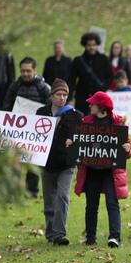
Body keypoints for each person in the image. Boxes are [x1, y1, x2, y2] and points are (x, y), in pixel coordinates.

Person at [70, 91, 131, 248]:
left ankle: (115, 237)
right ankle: (90, 238)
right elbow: (80, 144)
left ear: (101, 107)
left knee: (112, 203)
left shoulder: (117, 123)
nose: (90, 106)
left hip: (110, 172)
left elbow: (128, 147)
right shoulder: (86, 122)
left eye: (93, 104)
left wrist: (127, 149)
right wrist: (72, 145)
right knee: (91, 205)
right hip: (91, 172)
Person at [35, 79, 82, 245]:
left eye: (65, 94)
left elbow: (81, 138)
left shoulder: (75, 115)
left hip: (67, 164)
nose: (62, 97)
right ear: (52, 95)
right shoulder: (41, 112)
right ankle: (50, 233)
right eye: (59, 94)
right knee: (49, 201)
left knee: (62, 196)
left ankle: (59, 234)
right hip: (46, 163)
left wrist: (73, 141)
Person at [2, 57, 51, 198]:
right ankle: (14, 192)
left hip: (35, 134)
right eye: (23, 71)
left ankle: (32, 192)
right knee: (15, 162)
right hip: (17, 132)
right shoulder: (14, 86)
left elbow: (49, 109)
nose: (25, 74)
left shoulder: (43, 87)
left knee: (32, 162)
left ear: (34, 70)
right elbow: (6, 106)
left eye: (28, 71)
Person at [70, 32, 112, 115]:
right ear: (85, 45)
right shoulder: (78, 60)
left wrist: (103, 89)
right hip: (82, 98)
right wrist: (70, 98)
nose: (92, 47)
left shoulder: (104, 59)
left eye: (94, 45)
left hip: (99, 99)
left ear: (97, 45)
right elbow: (71, 80)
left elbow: (110, 77)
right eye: (89, 45)